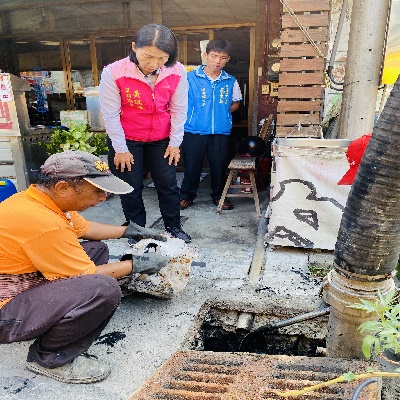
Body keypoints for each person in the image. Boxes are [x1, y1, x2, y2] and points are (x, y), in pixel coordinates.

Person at [0, 150, 170, 384]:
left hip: (23, 281)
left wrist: (130, 230)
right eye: (97, 191)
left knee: (96, 250)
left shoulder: (44, 201)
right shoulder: (42, 221)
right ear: (63, 188)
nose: (103, 198)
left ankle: (62, 318)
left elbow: (87, 229)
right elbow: (89, 275)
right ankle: (50, 356)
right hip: (4, 311)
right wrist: (136, 265)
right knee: (104, 289)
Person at [99, 24, 191, 243]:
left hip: (162, 139)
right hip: (127, 138)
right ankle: (137, 230)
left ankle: (173, 227)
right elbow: (110, 114)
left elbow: (179, 109)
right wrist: (120, 149)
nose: (154, 64)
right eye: (148, 56)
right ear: (134, 47)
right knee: (130, 187)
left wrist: (175, 143)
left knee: (167, 184)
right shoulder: (114, 72)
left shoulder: (177, 71)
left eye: (161, 58)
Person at [179, 39, 243, 211]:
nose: (217, 61)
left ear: (227, 59)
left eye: (222, 57)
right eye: (214, 56)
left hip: (220, 132)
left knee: (219, 166)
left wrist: (220, 113)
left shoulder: (230, 81)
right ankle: (186, 196)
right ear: (205, 55)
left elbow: (236, 103)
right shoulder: (189, 78)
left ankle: (219, 197)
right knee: (192, 166)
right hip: (194, 130)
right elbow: (178, 101)